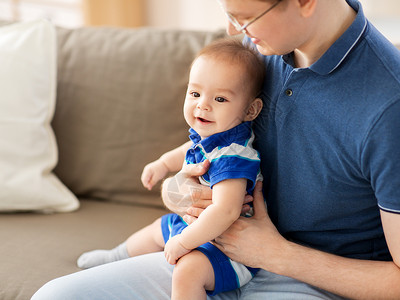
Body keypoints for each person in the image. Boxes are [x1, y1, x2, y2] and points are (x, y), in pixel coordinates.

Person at [32, 0, 400, 299]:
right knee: (55, 295)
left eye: (245, 16)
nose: (234, 30)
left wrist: (275, 254)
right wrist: (182, 191)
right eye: (228, 13)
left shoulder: (399, 109)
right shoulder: (257, 52)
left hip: (316, 283)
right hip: (218, 255)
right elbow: (206, 158)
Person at [76, 38, 265, 299]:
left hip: (229, 248)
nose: (203, 105)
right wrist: (163, 164)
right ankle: (115, 256)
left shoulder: (234, 157)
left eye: (220, 98)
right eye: (195, 93)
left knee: (187, 272)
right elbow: (189, 148)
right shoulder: (214, 136)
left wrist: (184, 243)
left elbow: (227, 210)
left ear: (251, 110)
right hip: (199, 228)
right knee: (157, 229)